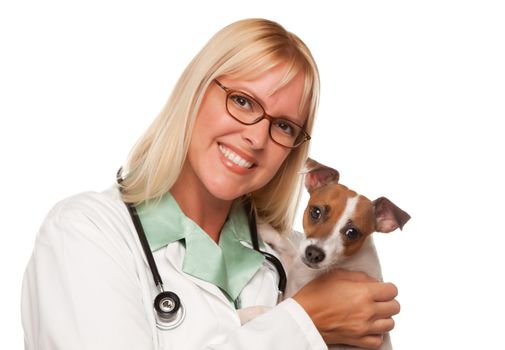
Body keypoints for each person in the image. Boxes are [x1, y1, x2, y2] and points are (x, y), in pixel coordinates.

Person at [21, 18, 399, 350]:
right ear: (196, 90)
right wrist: (304, 323)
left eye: (283, 125)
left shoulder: (292, 260)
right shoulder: (84, 234)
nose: (256, 137)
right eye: (243, 101)